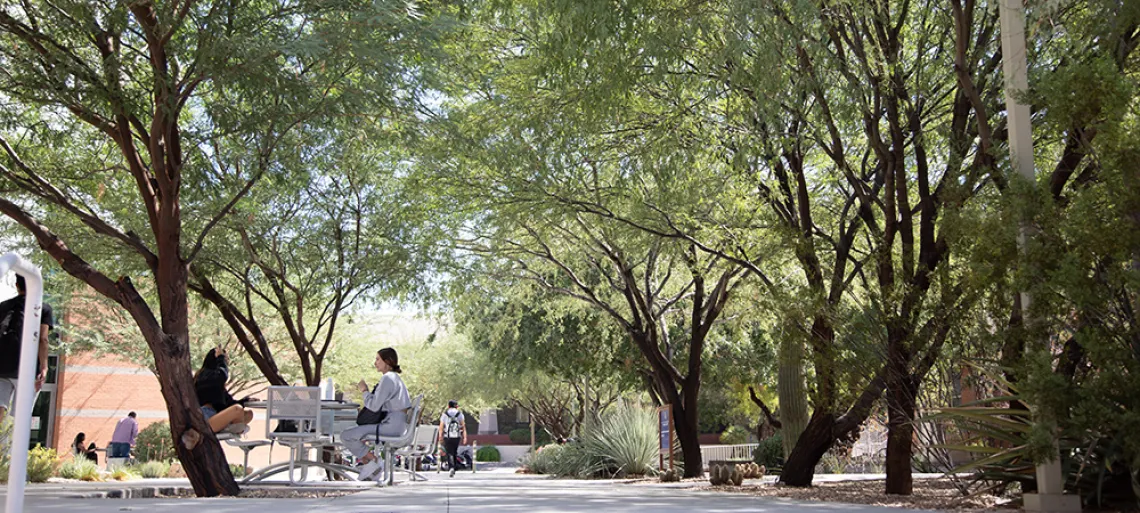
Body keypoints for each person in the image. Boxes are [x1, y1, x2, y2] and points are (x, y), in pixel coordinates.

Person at [340, 347, 411, 482]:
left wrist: (364, 391)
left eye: (378, 359)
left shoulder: (387, 379)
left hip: (390, 426)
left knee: (346, 436)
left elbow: (373, 406)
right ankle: (371, 465)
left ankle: (374, 461)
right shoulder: (395, 378)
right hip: (396, 424)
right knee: (354, 435)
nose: (375, 363)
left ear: (387, 361)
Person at [0, 275, 54, 420]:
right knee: (21, 417)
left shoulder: (3, 306)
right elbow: (43, 339)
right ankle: (18, 442)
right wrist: (44, 367)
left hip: (2, 367)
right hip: (27, 368)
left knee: (0, 410)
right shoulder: (43, 308)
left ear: (17, 285)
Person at [193, 347, 254, 434]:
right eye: (225, 359)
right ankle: (235, 431)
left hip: (217, 415)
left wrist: (245, 401)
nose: (226, 362)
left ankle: (229, 428)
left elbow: (229, 403)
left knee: (248, 414)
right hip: (206, 417)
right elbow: (222, 376)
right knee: (237, 409)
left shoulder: (217, 383)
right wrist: (221, 358)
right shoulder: (204, 375)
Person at [438, 399, 468, 477]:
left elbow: (441, 427)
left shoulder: (445, 414)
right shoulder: (459, 414)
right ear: (456, 406)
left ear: (448, 406)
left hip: (447, 436)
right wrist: (465, 437)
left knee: (449, 452)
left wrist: (440, 436)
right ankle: (454, 467)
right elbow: (463, 426)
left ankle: (451, 468)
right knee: (454, 451)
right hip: (457, 436)